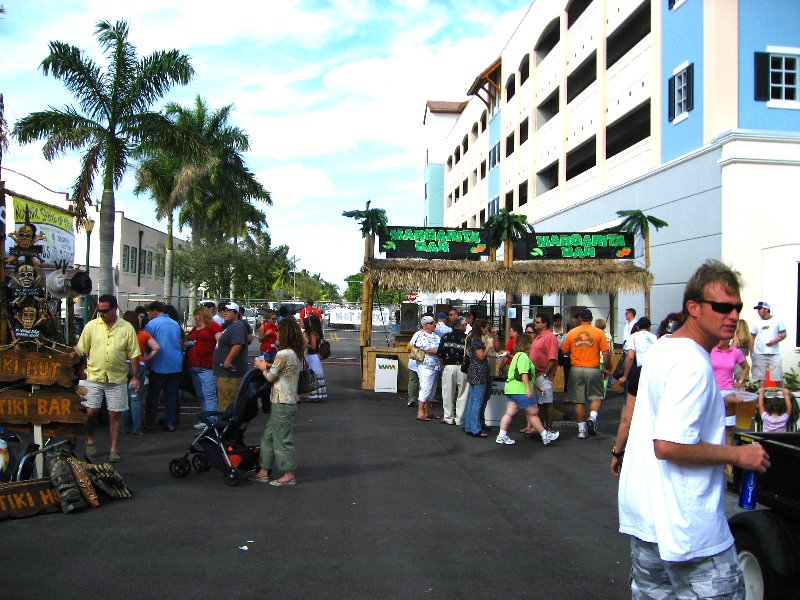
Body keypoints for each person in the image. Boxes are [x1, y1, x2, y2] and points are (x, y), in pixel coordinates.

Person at [618, 260, 771, 597]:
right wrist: (739, 454)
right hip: (687, 530)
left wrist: (718, 404)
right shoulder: (693, 364)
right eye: (721, 307)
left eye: (737, 308)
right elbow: (669, 446)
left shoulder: (664, 349)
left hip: (650, 522)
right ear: (694, 308)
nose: (732, 315)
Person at [73, 294, 141, 462]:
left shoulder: (126, 328)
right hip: (93, 376)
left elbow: (134, 354)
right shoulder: (91, 326)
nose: (101, 314)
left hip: (117, 378)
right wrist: (74, 359)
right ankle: (89, 438)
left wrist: (135, 376)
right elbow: (81, 349)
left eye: (105, 311)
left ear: (115, 309)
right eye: (99, 311)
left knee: (114, 414)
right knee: (90, 412)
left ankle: (114, 449)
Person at [252, 318, 304, 486]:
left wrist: (262, 367)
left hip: (282, 401)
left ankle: (289, 474)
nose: (277, 333)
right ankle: (263, 470)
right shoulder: (295, 353)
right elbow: (282, 371)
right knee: (269, 436)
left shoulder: (283, 354)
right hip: (286, 400)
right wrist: (268, 365)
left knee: (282, 439)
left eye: (279, 331)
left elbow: (271, 377)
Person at [496, 333, 560, 446]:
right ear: (526, 344)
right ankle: (545, 435)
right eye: (530, 342)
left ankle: (501, 435)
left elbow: (529, 376)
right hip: (520, 390)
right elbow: (524, 374)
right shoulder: (524, 357)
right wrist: (528, 389)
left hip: (511, 389)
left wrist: (538, 387)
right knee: (534, 412)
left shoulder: (516, 356)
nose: (532, 345)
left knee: (509, 413)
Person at [560, 309, 610, 438]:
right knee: (597, 396)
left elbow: (564, 351)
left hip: (576, 368)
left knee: (578, 400)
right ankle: (592, 418)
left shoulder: (572, 332)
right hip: (593, 368)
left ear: (580, 319)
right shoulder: (599, 332)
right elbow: (605, 353)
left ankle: (582, 430)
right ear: (591, 319)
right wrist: (607, 367)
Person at [144, 301, 183, 432]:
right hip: (175, 363)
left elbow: (147, 342)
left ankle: (150, 421)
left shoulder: (152, 324)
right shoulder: (175, 324)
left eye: (150, 313)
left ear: (155, 311)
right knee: (171, 395)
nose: (150, 315)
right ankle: (170, 422)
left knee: (154, 395)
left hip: (159, 363)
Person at [122, 310, 160, 435]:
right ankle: (137, 428)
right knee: (135, 398)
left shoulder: (120, 334)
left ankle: (122, 427)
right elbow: (156, 348)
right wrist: (147, 358)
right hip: (139, 364)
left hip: (122, 365)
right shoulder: (143, 334)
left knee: (123, 398)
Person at [185, 306, 223, 424]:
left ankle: (212, 421)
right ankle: (206, 419)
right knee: (201, 395)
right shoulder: (195, 329)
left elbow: (220, 343)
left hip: (207, 365)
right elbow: (188, 340)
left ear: (202, 315)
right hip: (194, 365)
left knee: (209, 395)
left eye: (197, 314)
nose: (195, 317)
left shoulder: (214, 326)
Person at [213, 301, 249, 412]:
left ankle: (227, 426)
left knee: (227, 405)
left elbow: (238, 345)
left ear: (236, 313)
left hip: (230, 374)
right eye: (224, 310)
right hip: (224, 373)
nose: (225, 312)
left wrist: (228, 360)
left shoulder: (237, 326)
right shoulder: (229, 327)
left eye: (229, 310)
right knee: (224, 402)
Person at [528, 314, 558, 434]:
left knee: (547, 403)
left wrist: (545, 374)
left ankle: (549, 428)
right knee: (539, 404)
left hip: (543, 375)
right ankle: (540, 430)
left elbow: (553, 358)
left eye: (538, 322)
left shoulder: (550, 337)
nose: (535, 324)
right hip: (536, 375)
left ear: (545, 324)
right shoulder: (538, 337)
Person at [436, 316, 469, 426]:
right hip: (463, 368)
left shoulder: (446, 336)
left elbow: (439, 353)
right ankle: (460, 419)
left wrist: (443, 364)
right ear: (463, 325)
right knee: (463, 393)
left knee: (447, 393)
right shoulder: (467, 338)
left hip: (448, 366)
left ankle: (448, 417)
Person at [462, 318, 491, 438]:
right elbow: (481, 356)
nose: (488, 329)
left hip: (473, 371)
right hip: (479, 372)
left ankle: (469, 426)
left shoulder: (471, 338)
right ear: (481, 328)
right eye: (486, 327)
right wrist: (488, 347)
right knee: (477, 401)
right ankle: (475, 428)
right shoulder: (477, 341)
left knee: (472, 400)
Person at [749, 301, 787, 388]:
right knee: (761, 377)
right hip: (759, 353)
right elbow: (751, 337)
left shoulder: (777, 320)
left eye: (759, 309)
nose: (758, 311)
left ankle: (781, 394)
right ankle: (762, 397)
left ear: (766, 310)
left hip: (774, 353)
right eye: (757, 309)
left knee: (777, 375)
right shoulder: (756, 322)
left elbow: (784, 334)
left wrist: (774, 341)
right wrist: (752, 352)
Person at [412, 315, 441, 421]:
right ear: (426, 325)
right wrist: (439, 351)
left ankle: (428, 410)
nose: (435, 324)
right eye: (433, 323)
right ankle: (420, 411)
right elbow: (428, 349)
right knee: (426, 387)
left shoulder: (436, 336)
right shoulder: (420, 335)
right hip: (425, 365)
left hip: (435, 365)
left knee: (432, 388)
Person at [303, 314, 327, 401]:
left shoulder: (313, 333)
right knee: (316, 375)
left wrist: (306, 343)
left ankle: (313, 395)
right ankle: (317, 394)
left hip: (312, 356)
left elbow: (313, 346)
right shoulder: (318, 332)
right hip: (315, 357)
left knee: (312, 376)